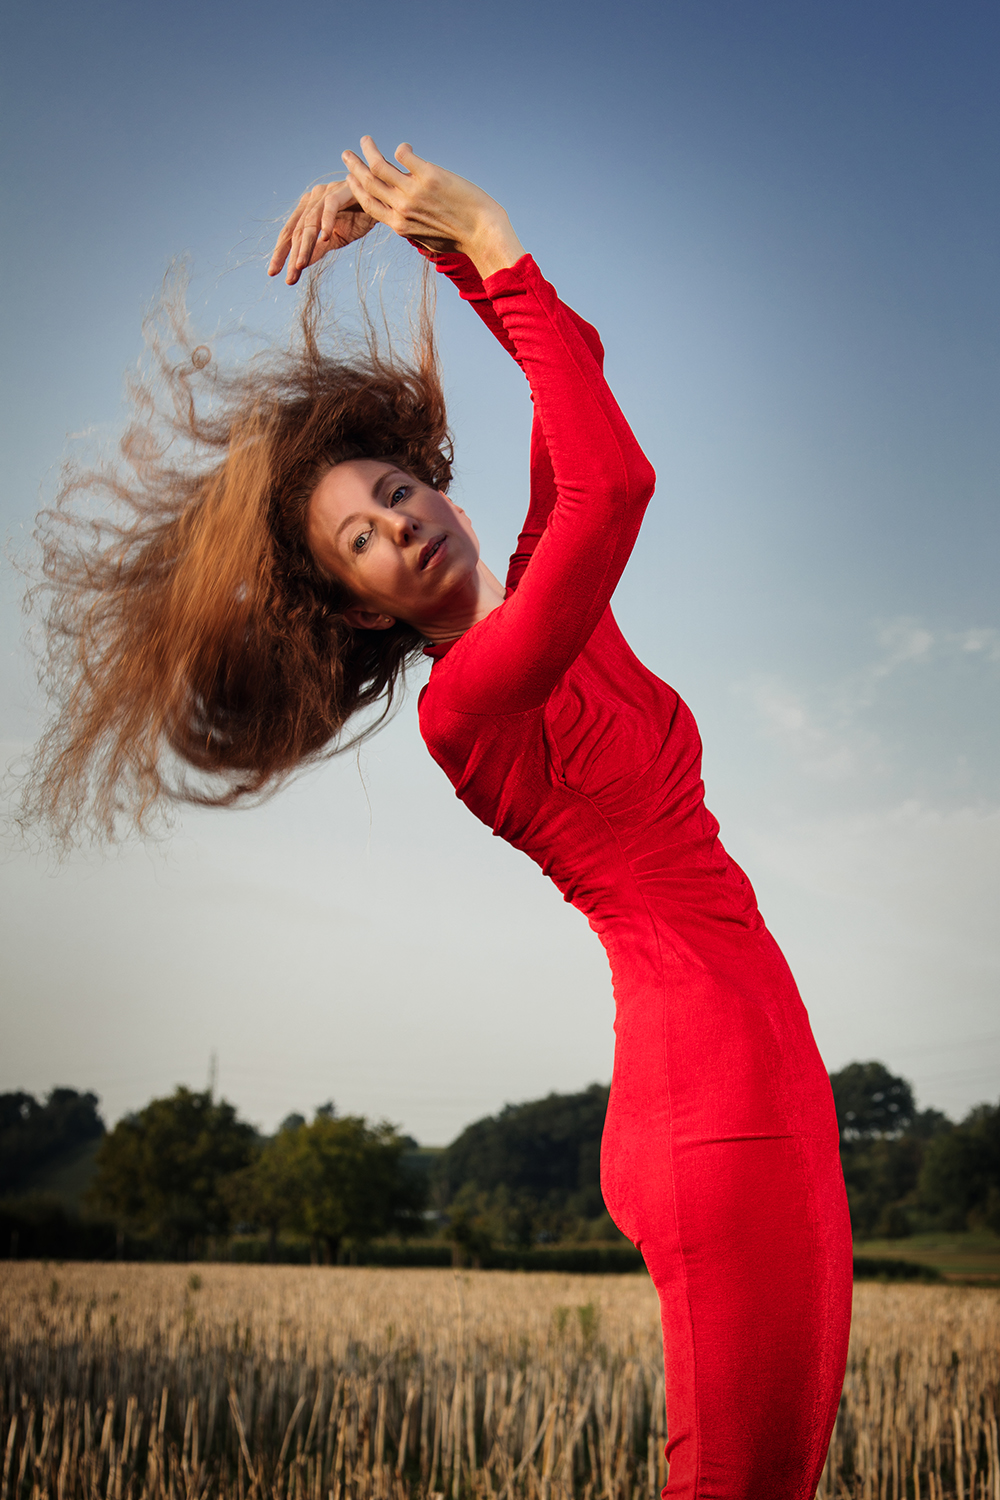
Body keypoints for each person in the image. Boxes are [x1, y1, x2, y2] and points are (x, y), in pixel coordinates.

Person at [27, 138, 852, 1498]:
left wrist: (426, 234)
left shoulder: (549, 593)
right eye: (362, 538)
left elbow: (574, 379)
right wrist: (491, 237)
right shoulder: (470, 705)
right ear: (359, 610)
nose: (399, 526)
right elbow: (614, 486)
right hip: (708, 1089)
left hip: (769, 1062)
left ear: (438, 489)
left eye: (396, 492)